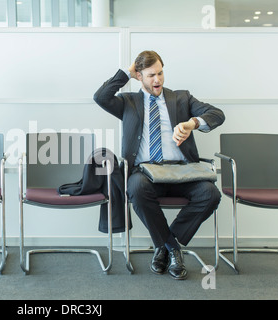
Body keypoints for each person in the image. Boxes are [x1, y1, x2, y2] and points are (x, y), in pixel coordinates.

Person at [93, 50, 225, 280]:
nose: (157, 80)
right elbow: (100, 96)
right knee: (135, 188)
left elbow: (217, 114)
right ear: (140, 76)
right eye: (151, 75)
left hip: (183, 171)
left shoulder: (181, 98)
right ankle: (173, 249)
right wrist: (126, 72)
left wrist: (192, 123)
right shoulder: (128, 102)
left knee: (210, 194)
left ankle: (164, 247)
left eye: (161, 73)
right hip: (146, 172)